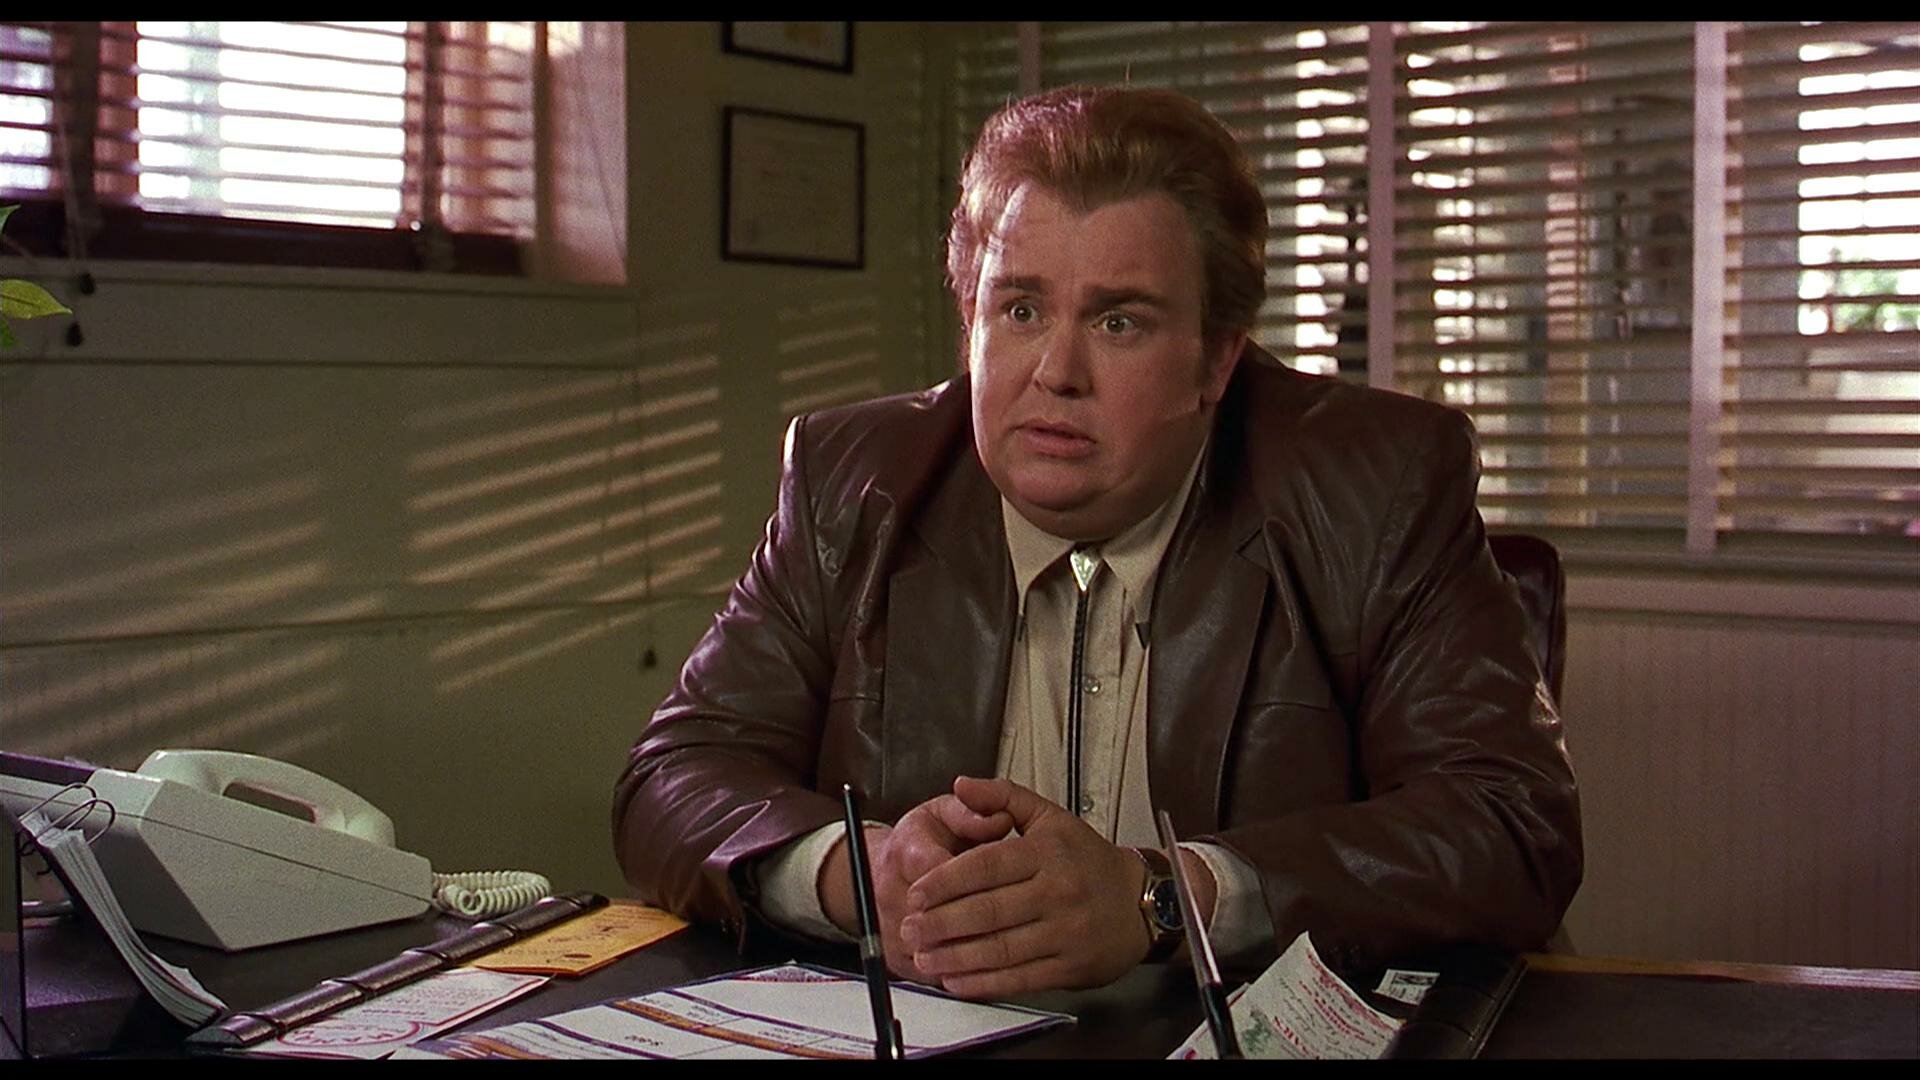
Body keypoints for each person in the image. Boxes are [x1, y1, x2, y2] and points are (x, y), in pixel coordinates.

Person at [613, 85, 1582, 1001]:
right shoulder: (854, 481)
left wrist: (1164, 898)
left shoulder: (1376, 483)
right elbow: (673, 777)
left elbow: (1511, 822)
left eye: (1119, 321)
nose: (1056, 372)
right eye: (1021, 310)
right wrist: (859, 875)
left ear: (1216, 359)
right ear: (970, 319)